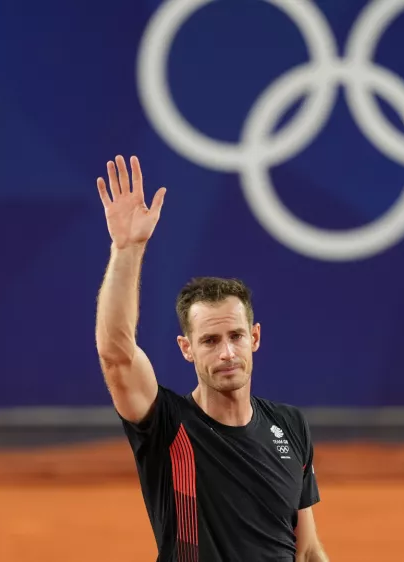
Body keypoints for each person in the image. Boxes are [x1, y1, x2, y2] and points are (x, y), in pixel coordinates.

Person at [93, 154, 330, 561]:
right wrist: (127, 250)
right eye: (209, 340)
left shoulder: (290, 426)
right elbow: (116, 354)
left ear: (254, 338)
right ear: (187, 348)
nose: (227, 352)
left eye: (236, 336)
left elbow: (306, 550)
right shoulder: (166, 426)